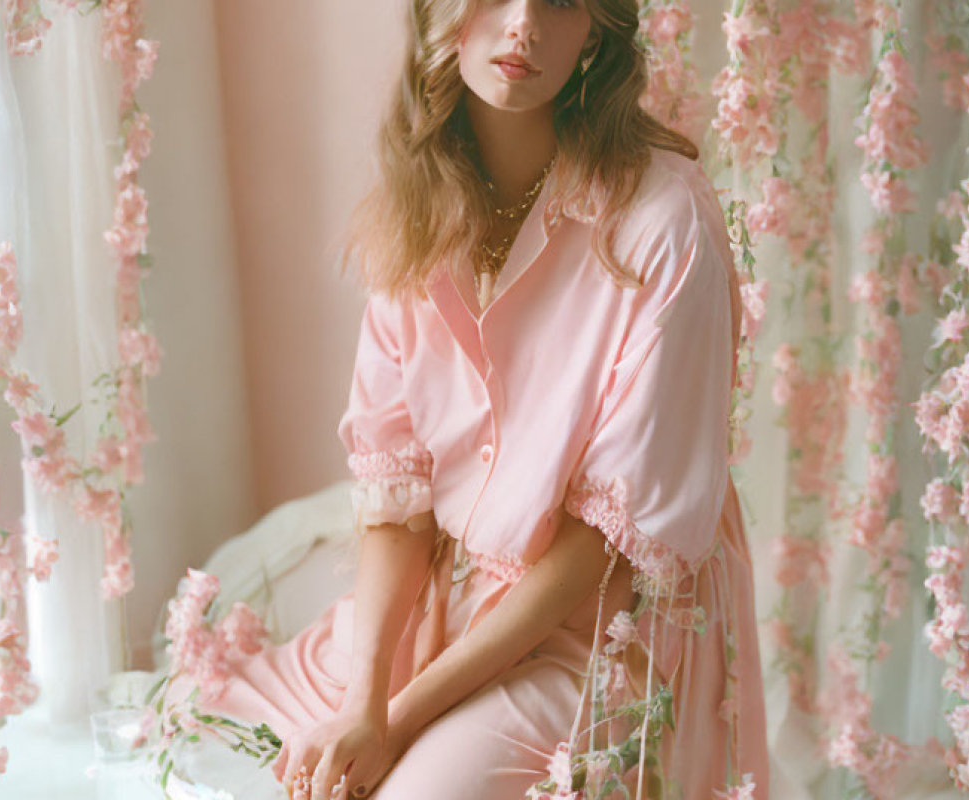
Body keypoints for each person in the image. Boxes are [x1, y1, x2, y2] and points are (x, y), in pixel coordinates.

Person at [170, 1, 769, 798]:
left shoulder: (664, 221)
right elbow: (399, 499)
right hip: (445, 599)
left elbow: (603, 546)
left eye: (558, 2)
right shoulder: (418, 208)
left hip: (590, 623)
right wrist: (365, 699)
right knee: (214, 734)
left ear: (596, 27)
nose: (521, 24)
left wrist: (401, 716)